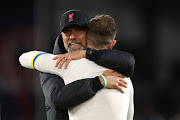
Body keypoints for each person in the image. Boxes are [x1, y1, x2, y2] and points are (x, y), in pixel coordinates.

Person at [22, 9, 135, 120]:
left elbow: (129, 62)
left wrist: (87, 54)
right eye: (67, 32)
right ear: (61, 35)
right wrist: (100, 81)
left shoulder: (110, 65)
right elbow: (56, 99)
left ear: (88, 34)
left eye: (78, 30)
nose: (72, 37)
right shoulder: (55, 64)